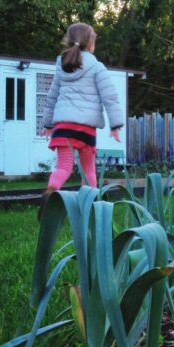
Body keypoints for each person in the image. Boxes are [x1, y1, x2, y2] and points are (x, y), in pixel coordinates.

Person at [40, 22, 124, 208]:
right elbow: (109, 96)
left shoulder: (62, 67)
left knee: (63, 167)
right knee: (88, 170)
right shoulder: (97, 67)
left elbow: (52, 96)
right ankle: (90, 205)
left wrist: (47, 124)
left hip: (63, 128)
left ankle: (50, 192)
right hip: (86, 130)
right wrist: (115, 125)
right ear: (91, 44)